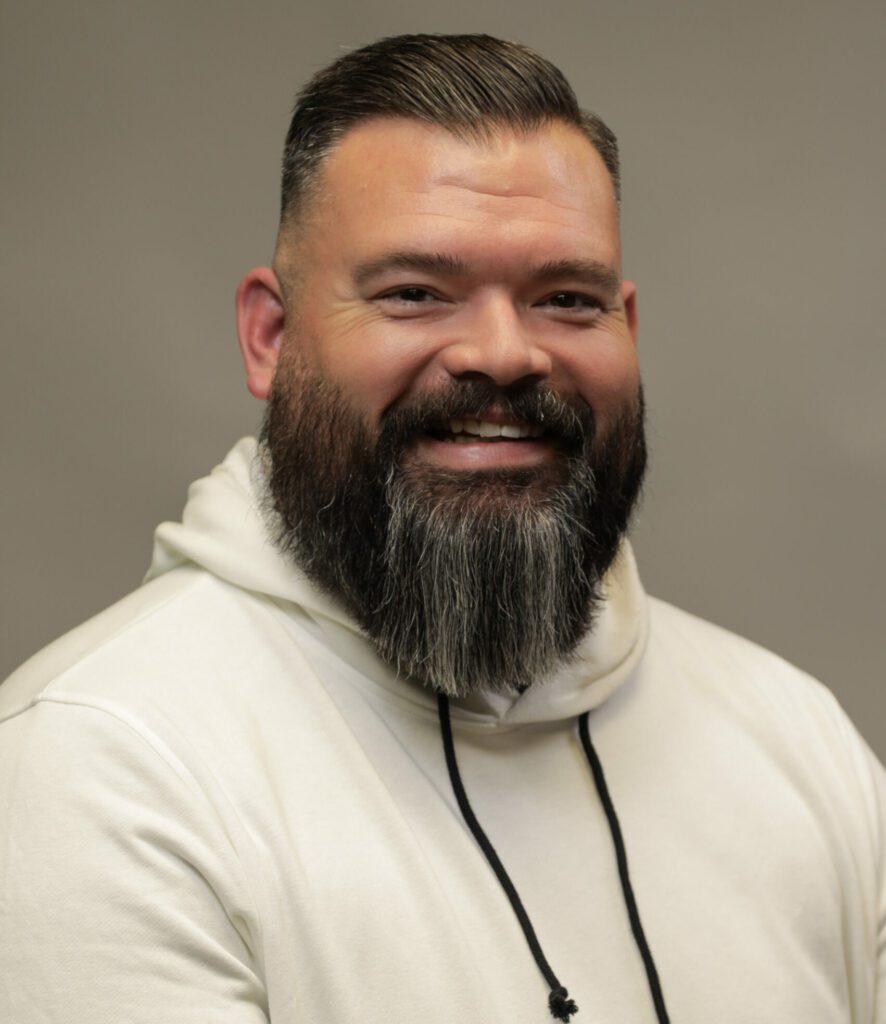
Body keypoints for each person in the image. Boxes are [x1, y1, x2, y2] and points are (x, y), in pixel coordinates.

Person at [0, 32, 883, 1024]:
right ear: (271, 336)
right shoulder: (103, 769)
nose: (504, 353)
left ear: (628, 329)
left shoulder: (798, 738)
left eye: (566, 299)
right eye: (414, 293)